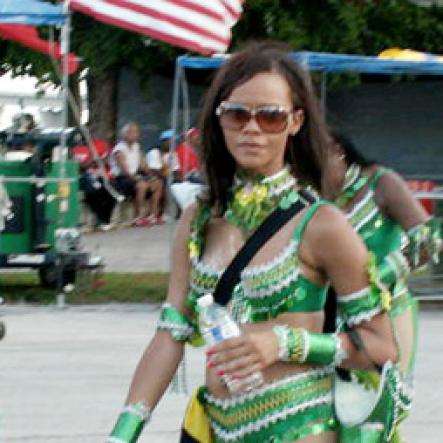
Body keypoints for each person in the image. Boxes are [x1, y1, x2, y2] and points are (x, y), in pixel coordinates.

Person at [108, 42, 399, 443]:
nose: (252, 128)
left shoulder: (321, 224)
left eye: (271, 117)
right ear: (219, 118)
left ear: (296, 121)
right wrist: (123, 433)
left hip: (300, 427)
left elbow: (381, 348)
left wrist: (284, 342)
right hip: (215, 427)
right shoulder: (197, 220)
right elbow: (169, 333)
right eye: (237, 114)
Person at [322, 130, 441, 442]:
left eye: (318, 163)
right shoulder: (314, 195)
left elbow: (429, 241)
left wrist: (378, 277)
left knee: (379, 411)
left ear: (339, 153)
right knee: (333, 413)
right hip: (334, 318)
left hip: (389, 314)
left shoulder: (383, 184)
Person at [110, 122, 164, 227]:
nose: (134, 135)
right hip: (120, 178)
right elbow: (124, 170)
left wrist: (151, 176)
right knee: (142, 185)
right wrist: (138, 179)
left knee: (158, 183)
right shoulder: (119, 149)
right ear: (124, 135)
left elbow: (143, 164)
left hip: (134, 176)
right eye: (130, 132)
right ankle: (138, 217)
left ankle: (152, 215)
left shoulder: (136, 146)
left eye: (135, 132)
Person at [72, 138, 117, 231]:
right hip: (81, 178)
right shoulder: (73, 150)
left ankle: (105, 220)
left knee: (112, 192)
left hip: (98, 177)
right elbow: (78, 167)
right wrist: (91, 161)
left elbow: (105, 163)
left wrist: (99, 161)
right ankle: (103, 220)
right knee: (93, 192)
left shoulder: (96, 146)